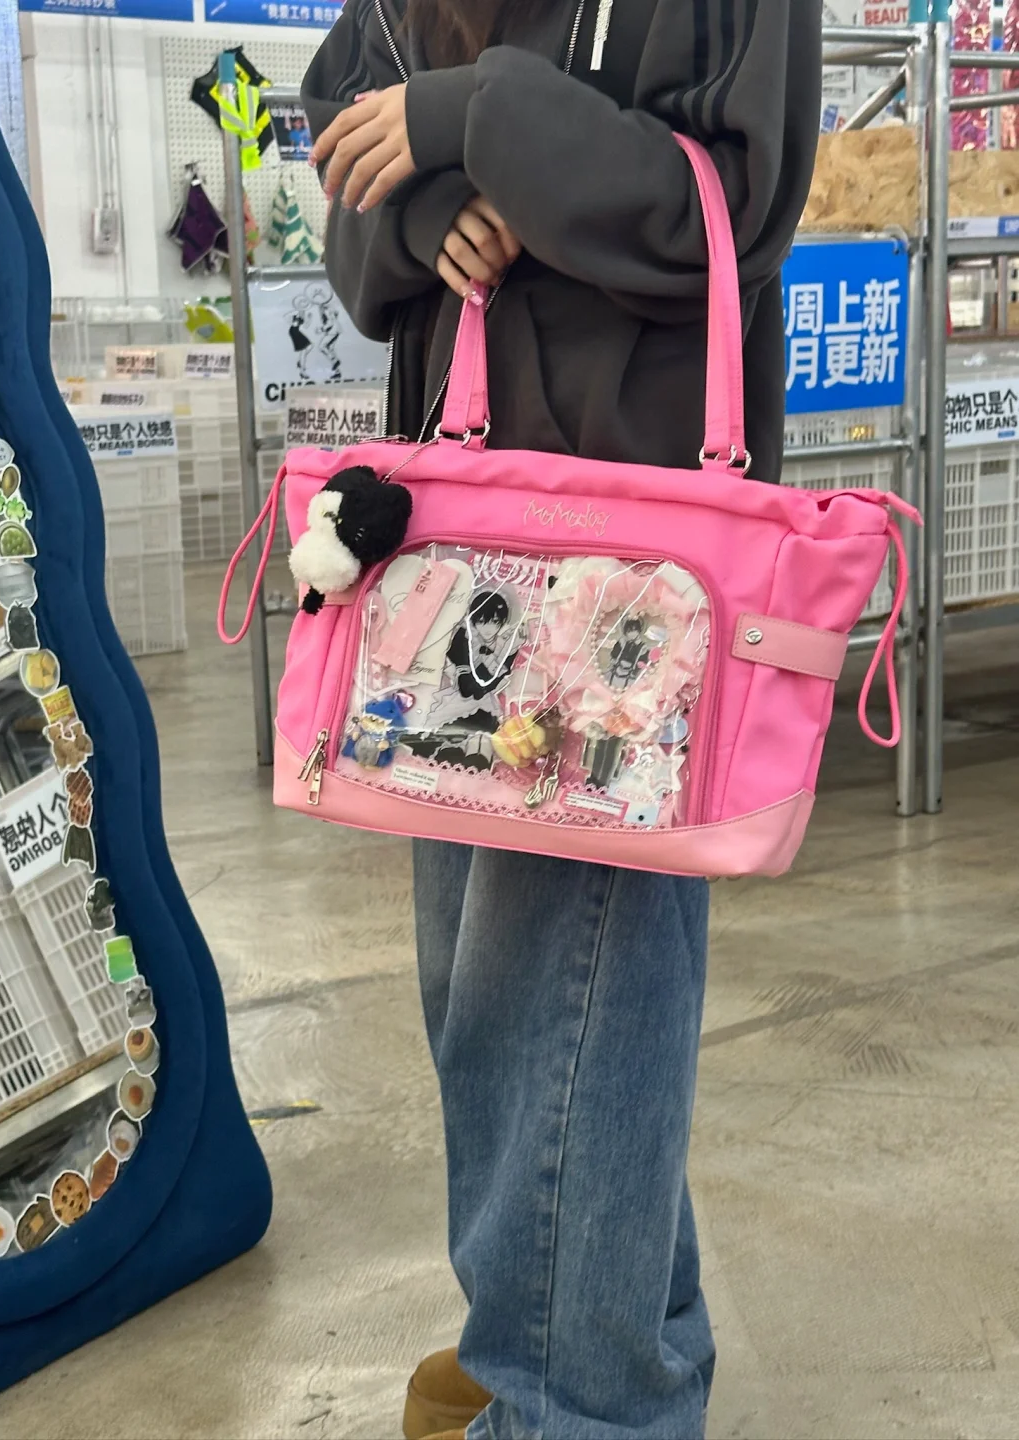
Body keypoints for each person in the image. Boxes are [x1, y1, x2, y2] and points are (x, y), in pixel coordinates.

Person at [303, 2, 819, 1436]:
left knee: (573, 987)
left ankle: (579, 1403)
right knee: (485, 993)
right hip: (454, 542)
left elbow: (731, 205)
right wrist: (424, 215)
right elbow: (346, 176)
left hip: (630, 557)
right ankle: (582, 1343)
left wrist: (475, 117)